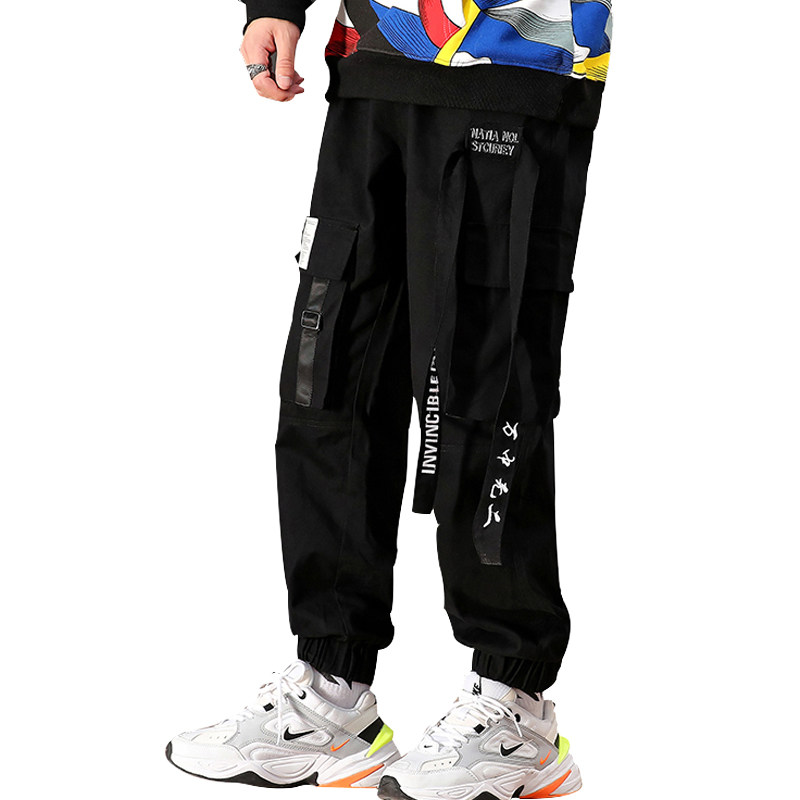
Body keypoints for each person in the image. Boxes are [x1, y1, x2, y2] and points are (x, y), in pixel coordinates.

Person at [165, 1, 612, 797]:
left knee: (485, 387)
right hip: (370, 62)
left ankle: (515, 709)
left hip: (513, 68)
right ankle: (331, 690)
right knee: (328, 378)